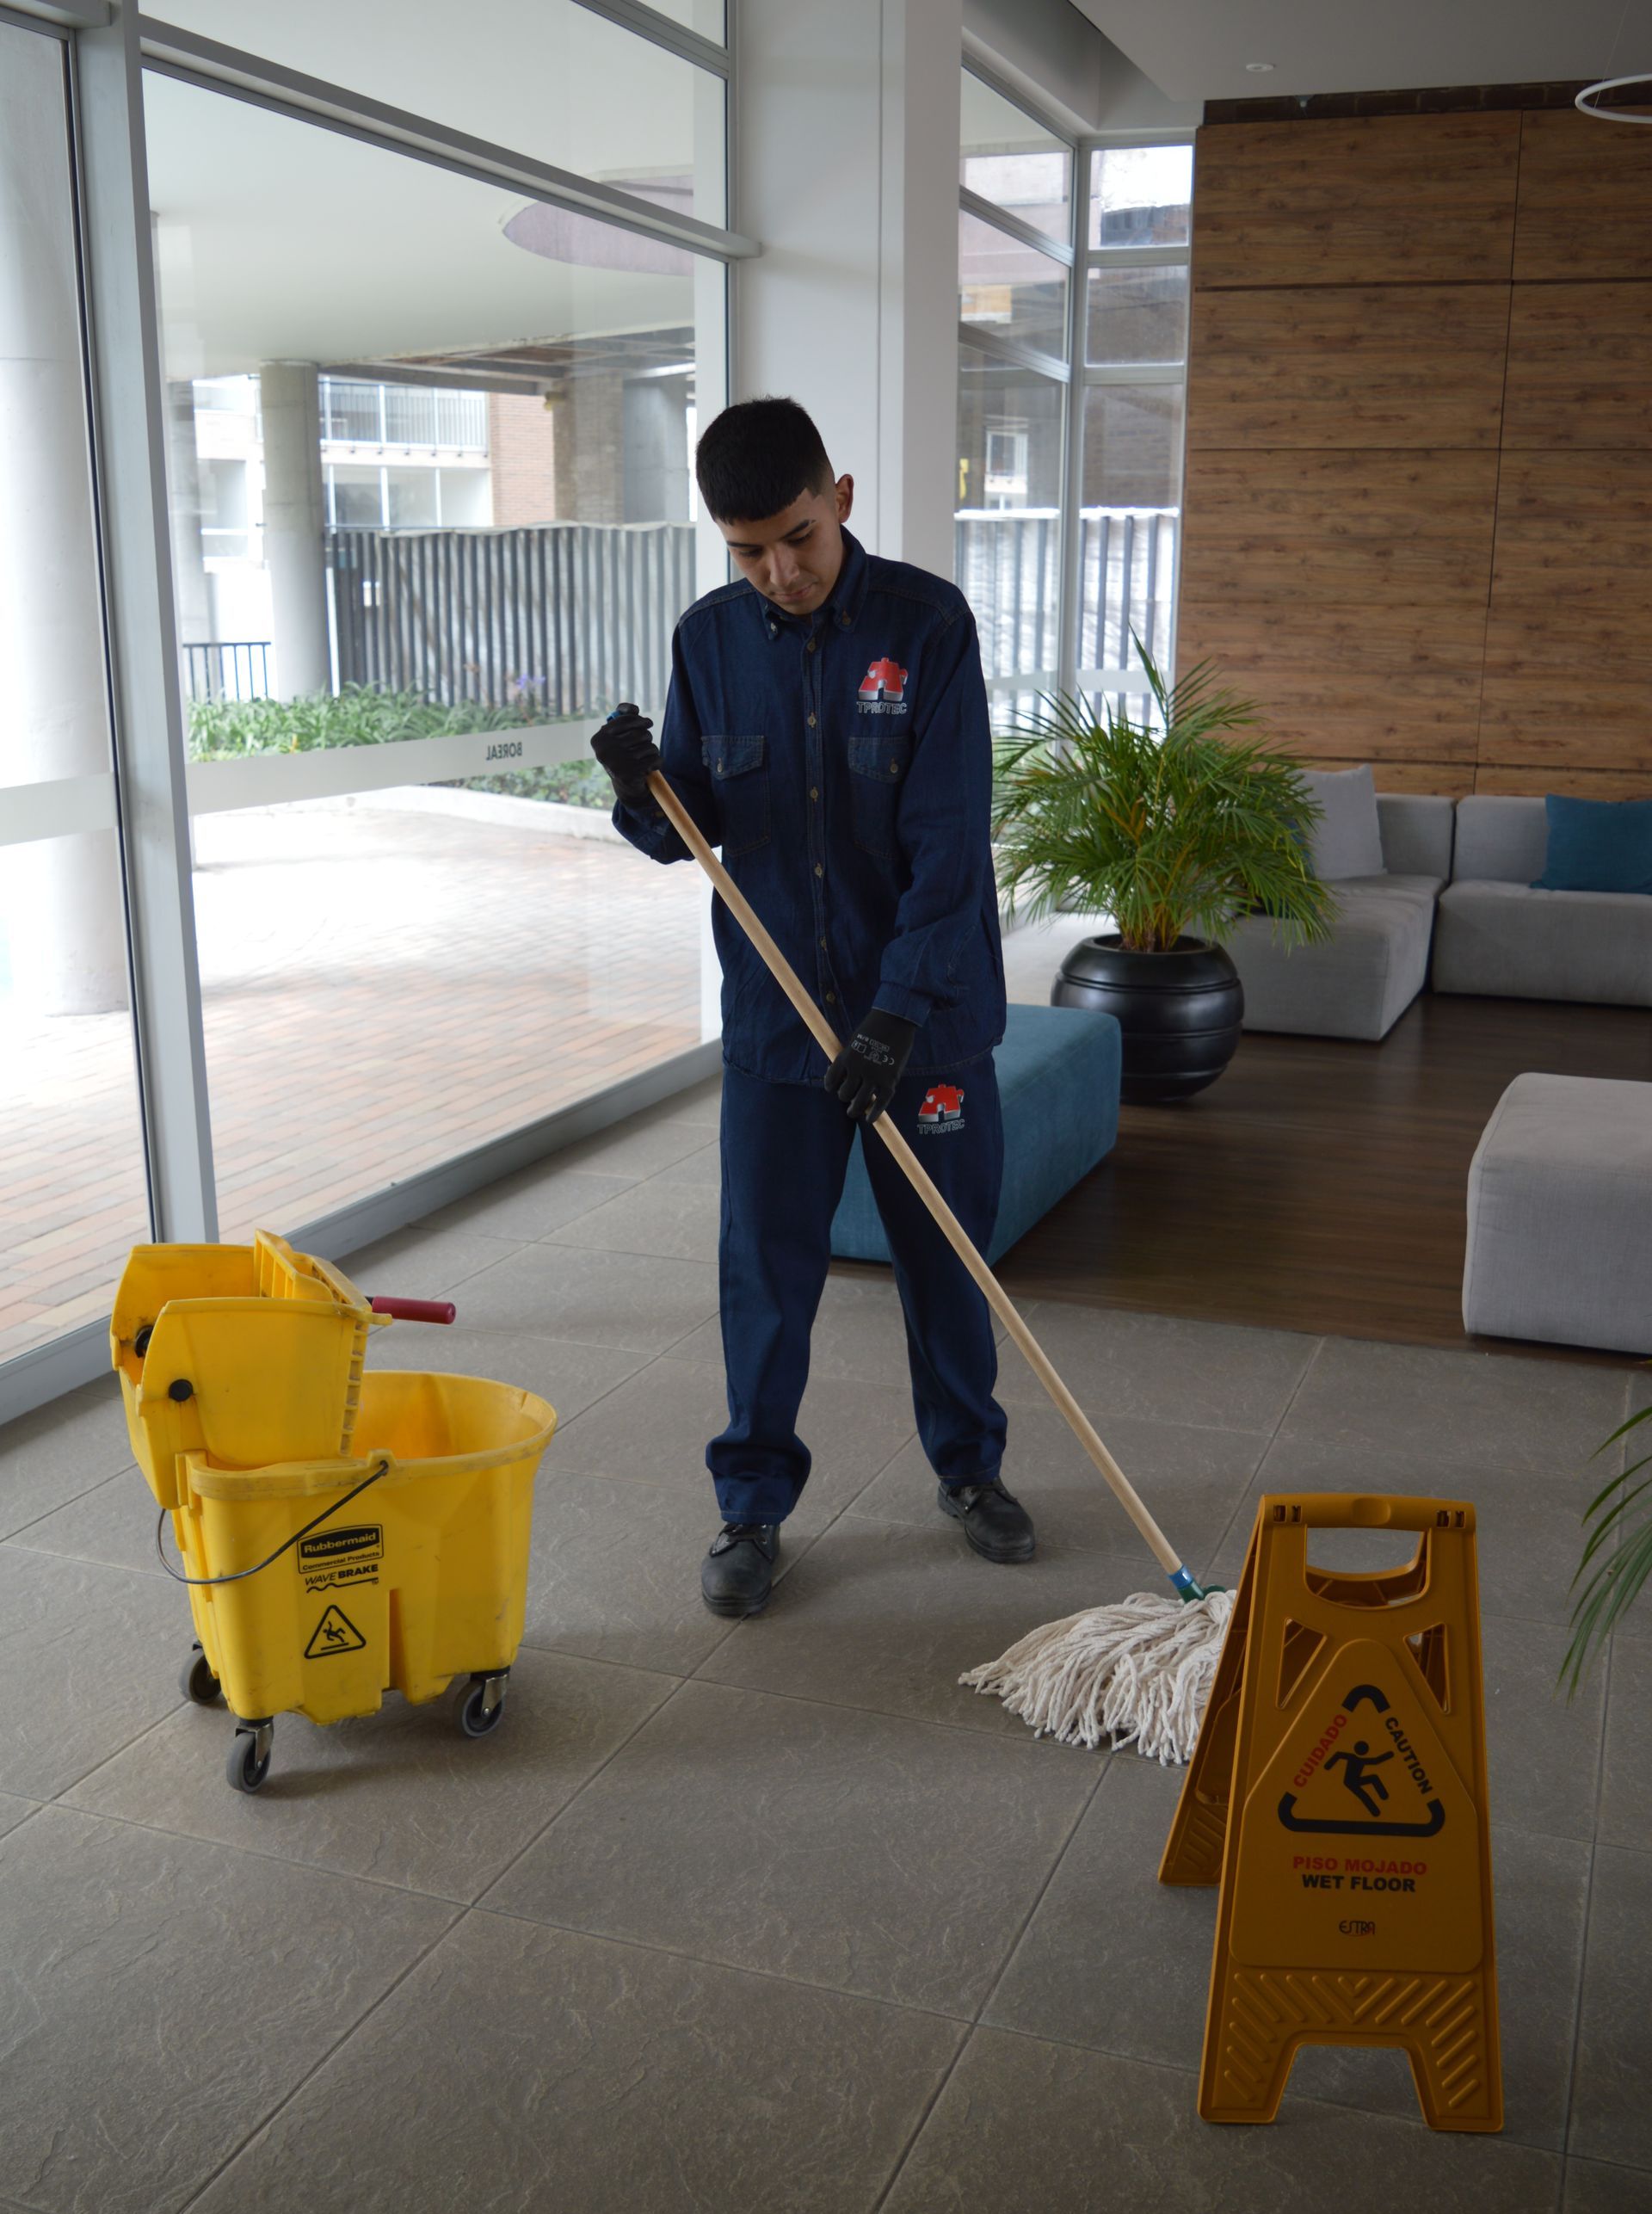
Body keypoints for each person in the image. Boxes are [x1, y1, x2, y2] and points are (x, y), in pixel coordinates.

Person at [591, 395, 1033, 1619]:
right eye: (748, 552)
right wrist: (641, 787)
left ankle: (969, 1468)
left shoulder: (927, 626)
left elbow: (951, 846)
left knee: (945, 1260)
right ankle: (751, 1504)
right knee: (765, 1274)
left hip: (924, 1024)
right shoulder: (708, 640)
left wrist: (897, 1012)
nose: (779, 573)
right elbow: (692, 834)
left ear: (839, 499)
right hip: (780, 1026)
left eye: (797, 537)